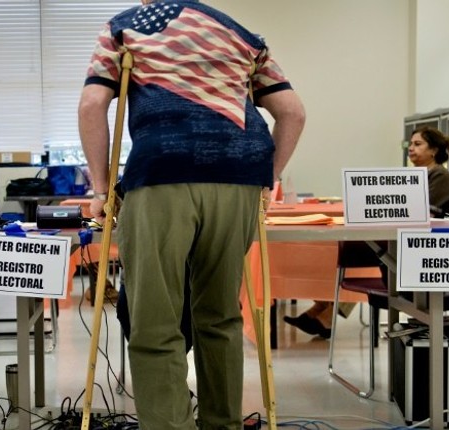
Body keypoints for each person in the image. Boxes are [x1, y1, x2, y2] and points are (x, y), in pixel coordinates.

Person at [78, 1, 305, 428]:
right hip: (239, 175)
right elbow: (292, 112)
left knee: (155, 322)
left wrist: (101, 189)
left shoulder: (125, 26)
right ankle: (223, 423)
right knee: (220, 316)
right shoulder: (242, 34)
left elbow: (93, 105)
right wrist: (267, 178)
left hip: (163, 173)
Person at [285, 125, 449, 339]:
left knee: (356, 252)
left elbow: (421, 213)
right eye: (410, 144)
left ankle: (325, 311)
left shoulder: (439, 175)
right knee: (355, 251)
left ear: (433, 150)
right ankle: (323, 309)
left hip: (416, 254)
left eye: (417, 144)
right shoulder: (418, 175)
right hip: (403, 249)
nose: (411, 149)